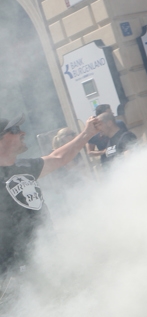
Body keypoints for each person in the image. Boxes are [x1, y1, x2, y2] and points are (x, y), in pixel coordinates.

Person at [0, 115, 98, 275]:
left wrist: (88, 133)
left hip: (47, 258)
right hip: (14, 272)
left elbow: (58, 157)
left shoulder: (26, 166)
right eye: (15, 130)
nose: (22, 133)